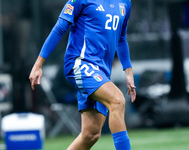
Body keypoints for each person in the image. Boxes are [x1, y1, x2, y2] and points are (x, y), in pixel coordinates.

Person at [29, 0, 136, 149]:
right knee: (117, 100)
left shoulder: (125, 3)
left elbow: (122, 38)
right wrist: (38, 64)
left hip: (102, 71)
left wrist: (128, 72)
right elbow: (60, 28)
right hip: (80, 63)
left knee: (91, 134)